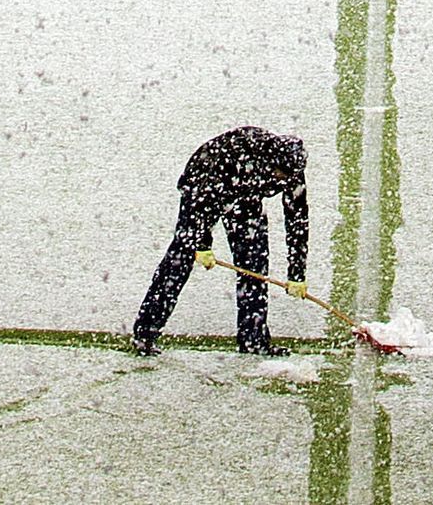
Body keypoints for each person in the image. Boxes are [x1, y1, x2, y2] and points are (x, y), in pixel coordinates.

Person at [130, 125, 310, 356]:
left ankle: (253, 341)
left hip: (246, 197)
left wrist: (297, 275)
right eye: (280, 174)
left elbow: (298, 220)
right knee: (180, 258)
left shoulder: (292, 169)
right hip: (203, 185)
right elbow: (201, 202)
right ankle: (145, 333)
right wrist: (202, 244)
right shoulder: (234, 154)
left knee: (254, 266)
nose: (283, 180)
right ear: (269, 161)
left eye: (288, 177)